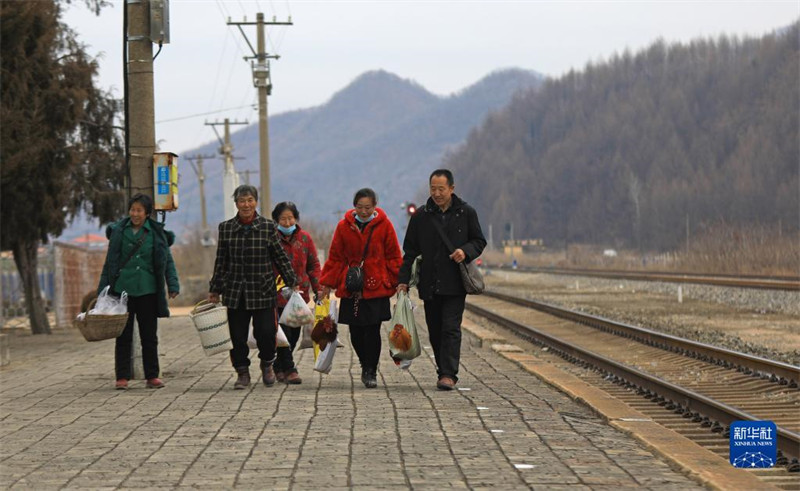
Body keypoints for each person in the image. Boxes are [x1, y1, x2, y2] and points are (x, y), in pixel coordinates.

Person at [397, 169, 486, 391]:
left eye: (441, 189)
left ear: (452, 189)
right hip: (430, 283)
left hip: (455, 284)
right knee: (435, 329)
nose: (437, 193)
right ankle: (442, 370)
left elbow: (478, 241)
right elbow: (410, 251)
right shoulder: (420, 216)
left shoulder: (466, 213)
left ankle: (449, 374)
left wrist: (465, 251)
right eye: (433, 189)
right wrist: (403, 281)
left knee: (451, 328)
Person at [208, 185, 298, 390]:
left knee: (266, 332)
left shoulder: (267, 227)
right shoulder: (226, 228)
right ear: (236, 204)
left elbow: (279, 256)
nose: (246, 204)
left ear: (256, 202)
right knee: (237, 336)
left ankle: (267, 364)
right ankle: (242, 372)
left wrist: (291, 280)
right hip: (235, 291)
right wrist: (215, 288)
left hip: (263, 290)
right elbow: (221, 260)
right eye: (242, 201)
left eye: (250, 200)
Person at [320, 188, 402, 388]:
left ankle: (370, 370)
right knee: (356, 331)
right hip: (352, 286)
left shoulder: (385, 226)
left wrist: (398, 280)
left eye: (368, 207)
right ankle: (364, 362)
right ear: (354, 206)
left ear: (375, 206)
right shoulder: (343, 227)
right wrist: (327, 283)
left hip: (376, 287)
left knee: (372, 329)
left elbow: (393, 255)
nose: (363, 211)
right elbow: (336, 257)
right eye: (359, 207)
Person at [97, 193, 180, 390]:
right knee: (123, 335)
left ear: (146, 213)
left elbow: (166, 260)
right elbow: (110, 263)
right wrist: (102, 291)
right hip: (122, 291)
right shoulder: (118, 231)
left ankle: (152, 375)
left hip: (148, 290)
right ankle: (122, 377)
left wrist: (173, 285)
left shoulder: (156, 233)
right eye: (132, 209)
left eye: (139, 210)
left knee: (149, 335)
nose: (135, 214)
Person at [271, 201, 321, 384]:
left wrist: (318, 288)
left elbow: (313, 265)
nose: (286, 222)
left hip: (299, 295)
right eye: (282, 219)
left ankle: (278, 366)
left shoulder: (305, 239)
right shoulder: (271, 238)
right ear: (276, 220)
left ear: (296, 218)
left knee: (294, 333)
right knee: (282, 332)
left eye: (290, 218)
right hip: (276, 294)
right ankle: (290, 369)